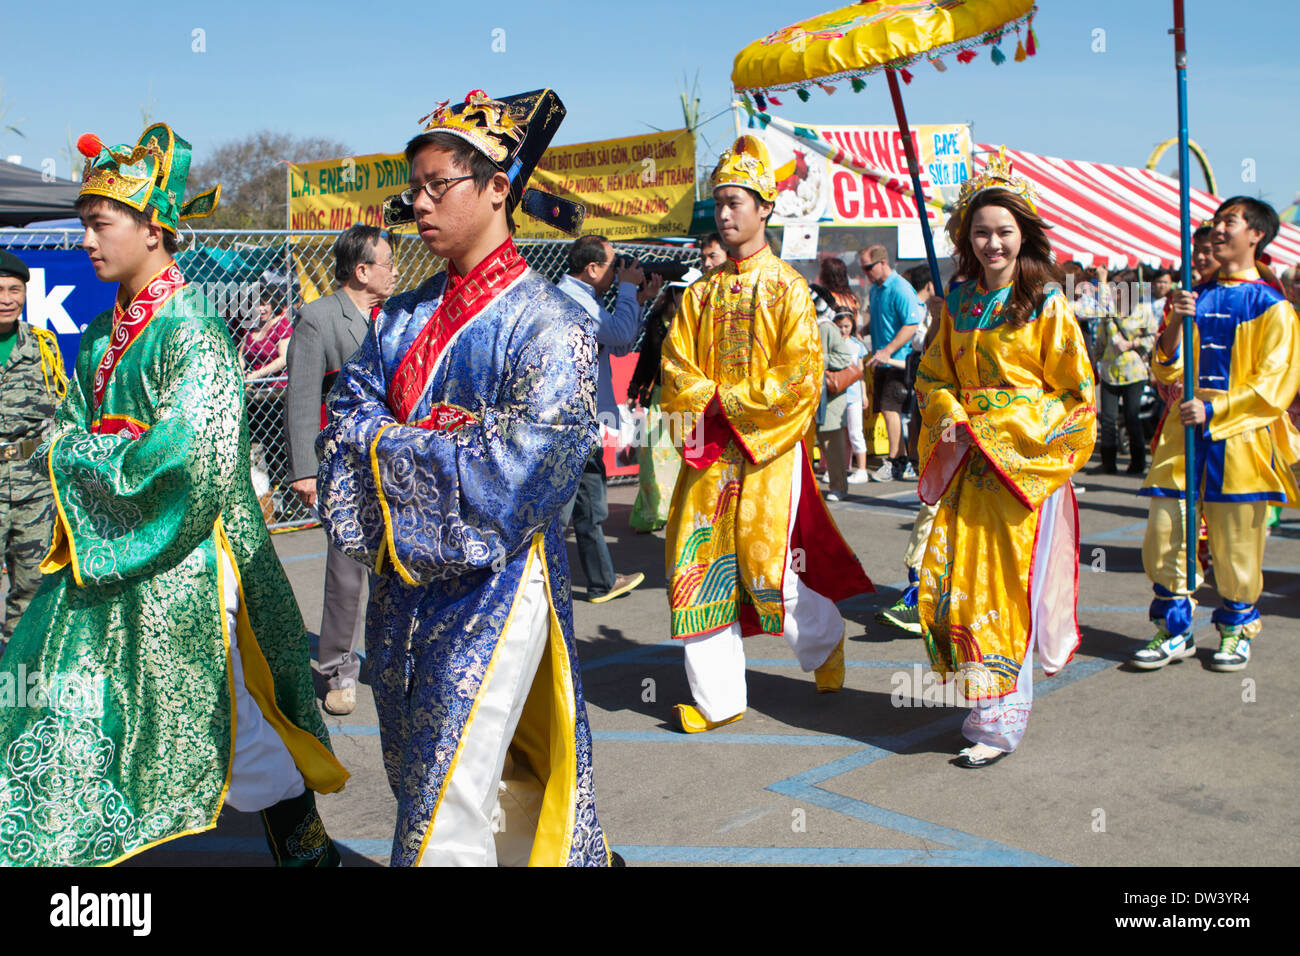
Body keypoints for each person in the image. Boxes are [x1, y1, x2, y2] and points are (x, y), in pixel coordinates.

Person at [0, 124, 347, 866]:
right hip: (109, 558)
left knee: (221, 726)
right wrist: (84, 452)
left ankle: (305, 842)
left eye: (100, 224)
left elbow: (194, 453)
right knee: (69, 708)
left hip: (180, 561)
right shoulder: (98, 335)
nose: (87, 240)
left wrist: (83, 455)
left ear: (153, 229)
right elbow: (64, 427)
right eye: (85, 224)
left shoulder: (193, 331)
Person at [316, 89, 615, 866]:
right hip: (405, 591)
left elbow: (523, 470)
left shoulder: (550, 325)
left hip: (498, 586)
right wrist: (434, 443)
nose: (417, 203)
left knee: (447, 793)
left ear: (496, 189)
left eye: (435, 184)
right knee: (437, 776)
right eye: (412, 187)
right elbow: (347, 414)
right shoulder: (404, 316)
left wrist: (396, 446)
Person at [660, 133, 873, 734]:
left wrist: (731, 403)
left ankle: (824, 637)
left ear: (765, 209)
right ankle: (717, 699)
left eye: (736, 203)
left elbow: (802, 376)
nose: (724, 214)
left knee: (765, 567)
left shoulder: (787, 290)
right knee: (697, 565)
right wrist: (712, 405)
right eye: (719, 203)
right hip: (712, 453)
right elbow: (677, 368)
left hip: (767, 449)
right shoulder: (697, 295)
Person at [915, 148, 1096, 768]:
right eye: (982, 231)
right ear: (966, 237)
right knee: (958, 585)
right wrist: (951, 417)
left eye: (1004, 231)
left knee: (1006, 588)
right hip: (969, 462)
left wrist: (1005, 428)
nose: (993, 242)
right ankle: (984, 702)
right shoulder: (958, 301)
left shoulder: (1046, 302)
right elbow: (933, 376)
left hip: (1023, 467)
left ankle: (1000, 721)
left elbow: (1076, 398)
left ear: (1025, 236)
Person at [1132, 197, 1300, 673]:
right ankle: (1174, 628)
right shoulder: (1195, 297)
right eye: (1218, 222)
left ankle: (1235, 629)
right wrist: (1178, 324)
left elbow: (1275, 383)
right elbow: (1167, 368)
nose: (1219, 231)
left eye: (1230, 222)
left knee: (1236, 542)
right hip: (1184, 431)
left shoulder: (1274, 307)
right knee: (1166, 531)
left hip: (1240, 436)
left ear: (1257, 236)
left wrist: (1216, 406)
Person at [285, 224, 398, 715]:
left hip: (395, 464)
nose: (395, 273)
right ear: (362, 270)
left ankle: (395, 658)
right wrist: (305, 471)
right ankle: (337, 669)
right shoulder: (318, 318)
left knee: (398, 567)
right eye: (388, 264)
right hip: (344, 468)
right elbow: (302, 398)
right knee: (347, 574)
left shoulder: (394, 316)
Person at [556, 235, 658, 602]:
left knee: (590, 505)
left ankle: (602, 581)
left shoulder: (587, 299)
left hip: (583, 421)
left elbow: (620, 345)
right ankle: (535, 587)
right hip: (568, 424)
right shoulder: (571, 299)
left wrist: (638, 300)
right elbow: (619, 332)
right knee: (561, 512)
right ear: (592, 268)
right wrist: (629, 291)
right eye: (614, 266)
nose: (618, 272)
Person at [0, 250, 66, 653]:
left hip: (32, 486)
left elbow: (56, 412)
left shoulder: (42, 347)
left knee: (32, 587)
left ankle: (16, 681)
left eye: (14, 289)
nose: (7, 298)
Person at [627, 271, 696, 532]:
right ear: (673, 293)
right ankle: (652, 513)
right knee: (652, 461)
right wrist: (634, 389)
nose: (685, 297)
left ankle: (679, 513)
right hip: (659, 398)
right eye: (681, 292)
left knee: (683, 460)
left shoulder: (697, 323)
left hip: (687, 400)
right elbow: (646, 358)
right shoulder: (657, 322)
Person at [859, 244, 920, 481]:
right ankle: (902, 458)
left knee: (890, 409)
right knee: (887, 410)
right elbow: (880, 319)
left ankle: (897, 460)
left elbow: (911, 324)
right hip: (881, 361)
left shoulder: (900, 288)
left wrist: (888, 350)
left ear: (882, 263)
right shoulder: (876, 289)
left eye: (868, 267)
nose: (865, 272)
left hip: (898, 363)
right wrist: (863, 329)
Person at [1096, 270, 1161, 475]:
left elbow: (1153, 338)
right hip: (1109, 370)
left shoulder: (1143, 310)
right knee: (1108, 419)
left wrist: (1131, 343)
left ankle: (1137, 462)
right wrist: (1092, 359)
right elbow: (1102, 338)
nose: (1116, 291)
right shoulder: (1109, 310)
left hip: (1134, 372)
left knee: (1132, 417)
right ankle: (1108, 463)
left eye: (1119, 287)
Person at [836, 310, 870, 485]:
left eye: (847, 326)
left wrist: (864, 394)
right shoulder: (831, 343)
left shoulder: (857, 345)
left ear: (852, 326)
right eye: (840, 326)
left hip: (853, 395)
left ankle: (862, 469)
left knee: (856, 432)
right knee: (840, 434)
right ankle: (841, 468)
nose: (843, 330)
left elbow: (861, 373)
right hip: (837, 395)